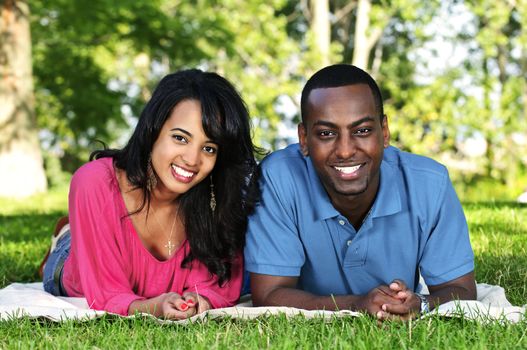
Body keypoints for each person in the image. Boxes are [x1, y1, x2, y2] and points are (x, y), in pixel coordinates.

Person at [244, 64, 477, 320]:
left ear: (384, 132)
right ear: (304, 139)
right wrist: (357, 304)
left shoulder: (430, 184)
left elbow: (461, 289)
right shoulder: (278, 178)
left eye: (362, 131)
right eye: (326, 133)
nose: (345, 150)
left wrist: (418, 304)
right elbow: (269, 294)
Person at [40, 69, 260, 320]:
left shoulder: (216, 197)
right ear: (153, 130)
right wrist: (152, 307)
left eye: (208, 148)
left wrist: (200, 300)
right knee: (64, 265)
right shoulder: (94, 182)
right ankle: (66, 235)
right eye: (180, 138)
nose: (191, 160)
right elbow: (104, 295)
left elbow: (218, 284)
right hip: (75, 266)